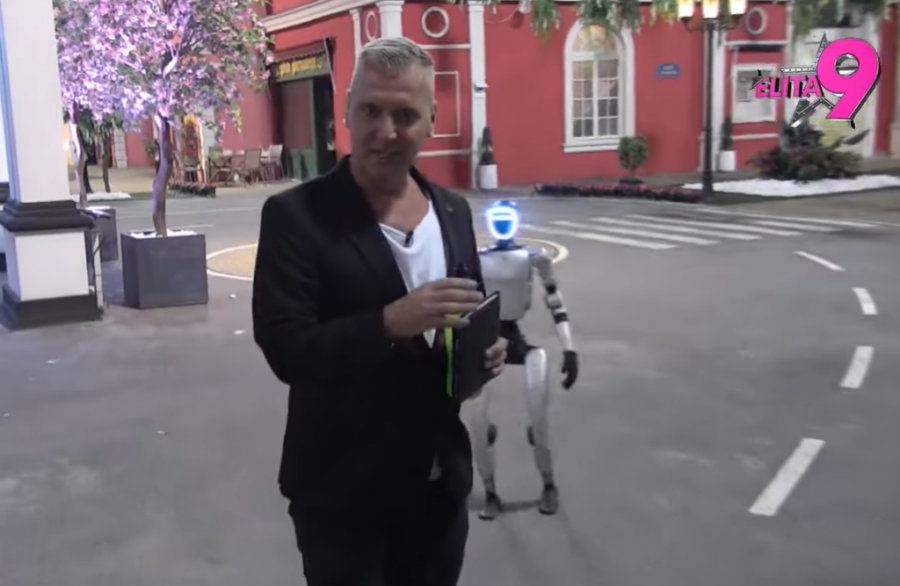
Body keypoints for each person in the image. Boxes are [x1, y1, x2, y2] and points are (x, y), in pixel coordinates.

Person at [252, 37, 508, 586]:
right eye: (370, 110)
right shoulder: (295, 216)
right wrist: (390, 322)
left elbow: (462, 322)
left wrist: (481, 357)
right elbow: (286, 349)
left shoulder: (453, 212)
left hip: (438, 489)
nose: (385, 131)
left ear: (432, 120)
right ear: (346, 111)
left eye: (405, 115)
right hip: (342, 496)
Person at [470, 200, 579, 520]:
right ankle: (490, 491)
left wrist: (569, 349)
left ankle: (548, 484)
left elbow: (556, 303)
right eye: (498, 218)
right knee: (478, 427)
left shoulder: (534, 258)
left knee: (538, 422)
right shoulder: (477, 259)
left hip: (518, 342)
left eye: (508, 219)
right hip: (488, 341)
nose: (503, 224)